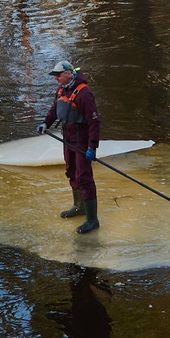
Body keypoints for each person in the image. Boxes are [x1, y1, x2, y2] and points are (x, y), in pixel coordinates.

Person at [40, 60, 100, 235]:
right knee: (71, 171)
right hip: (68, 139)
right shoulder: (61, 90)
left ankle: (92, 220)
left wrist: (92, 147)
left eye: (58, 75)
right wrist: (45, 123)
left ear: (68, 74)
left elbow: (94, 122)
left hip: (82, 141)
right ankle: (79, 207)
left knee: (84, 177)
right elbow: (54, 109)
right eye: (54, 76)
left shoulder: (84, 94)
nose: (56, 78)